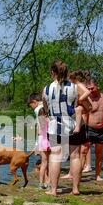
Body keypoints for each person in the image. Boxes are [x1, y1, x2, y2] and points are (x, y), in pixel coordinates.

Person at [42, 60, 87, 196]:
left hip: (55, 126)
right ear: (66, 73)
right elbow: (82, 99)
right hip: (73, 124)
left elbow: (45, 108)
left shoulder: (46, 89)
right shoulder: (74, 87)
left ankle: (53, 190)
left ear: (52, 73)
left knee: (55, 156)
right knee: (75, 156)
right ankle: (75, 189)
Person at [61, 70, 91, 179]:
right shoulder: (75, 86)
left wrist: (79, 99)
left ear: (74, 79)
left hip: (82, 111)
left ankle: (74, 174)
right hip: (82, 111)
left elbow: (87, 92)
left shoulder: (78, 85)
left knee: (75, 152)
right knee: (74, 152)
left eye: (70, 79)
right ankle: (71, 173)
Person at [81, 79, 103, 181]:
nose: (90, 90)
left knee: (99, 153)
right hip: (89, 128)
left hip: (102, 129)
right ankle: (78, 174)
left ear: (97, 86)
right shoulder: (86, 98)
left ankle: (97, 175)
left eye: (92, 88)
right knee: (83, 151)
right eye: (88, 89)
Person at [28, 93, 50, 189]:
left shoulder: (38, 109)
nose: (32, 108)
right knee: (50, 162)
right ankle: (48, 182)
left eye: (31, 105)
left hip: (41, 138)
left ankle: (42, 183)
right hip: (48, 139)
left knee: (44, 162)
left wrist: (37, 143)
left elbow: (39, 126)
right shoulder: (44, 108)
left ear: (34, 102)